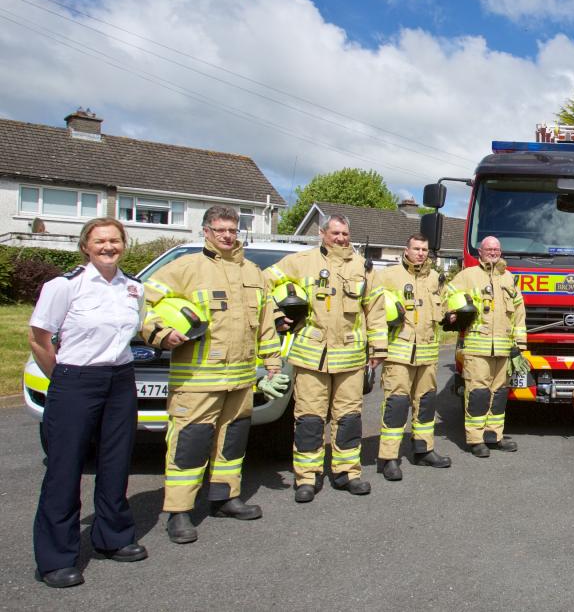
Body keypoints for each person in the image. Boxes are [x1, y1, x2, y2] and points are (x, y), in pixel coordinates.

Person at [142, 206, 283, 544]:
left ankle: (225, 498)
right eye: (219, 229)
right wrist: (161, 334)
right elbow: (144, 306)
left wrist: (273, 363)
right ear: (205, 231)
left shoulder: (253, 272)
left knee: (232, 442)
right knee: (189, 446)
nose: (226, 235)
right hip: (197, 381)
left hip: (241, 379)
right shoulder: (185, 268)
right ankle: (179, 512)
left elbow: (266, 322)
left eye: (232, 229)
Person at [29, 218, 148, 588]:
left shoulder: (133, 288)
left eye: (114, 240)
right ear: (86, 245)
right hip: (75, 379)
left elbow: (134, 332)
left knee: (115, 462)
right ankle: (56, 558)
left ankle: (112, 537)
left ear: (123, 244)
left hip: (120, 379)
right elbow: (39, 339)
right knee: (65, 468)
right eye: (100, 241)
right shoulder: (64, 286)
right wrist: (63, 378)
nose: (108, 246)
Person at [266, 214, 388, 502]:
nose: (340, 238)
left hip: (350, 359)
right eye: (335, 233)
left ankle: (347, 473)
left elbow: (376, 309)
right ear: (323, 233)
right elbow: (262, 287)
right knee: (309, 419)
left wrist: (378, 349)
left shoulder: (363, 267)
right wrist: (277, 316)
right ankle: (307, 478)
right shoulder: (300, 262)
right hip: (311, 357)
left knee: (348, 419)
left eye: (345, 233)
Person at [373, 234, 452, 479]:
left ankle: (423, 450)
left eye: (424, 249)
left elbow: (447, 303)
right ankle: (388, 458)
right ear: (406, 250)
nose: (420, 253)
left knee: (426, 404)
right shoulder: (388, 276)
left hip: (427, 355)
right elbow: (372, 309)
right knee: (396, 405)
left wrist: (453, 314)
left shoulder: (435, 278)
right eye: (416, 248)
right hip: (399, 355)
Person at [444, 236, 527, 457]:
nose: (493, 252)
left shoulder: (509, 279)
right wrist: (454, 312)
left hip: (503, 349)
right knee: (478, 394)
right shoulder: (468, 275)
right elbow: (446, 295)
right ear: (480, 252)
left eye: (496, 249)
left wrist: (519, 345)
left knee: (499, 394)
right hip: (476, 348)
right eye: (488, 249)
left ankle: (494, 436)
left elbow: (519, 314)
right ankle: (475, 439)